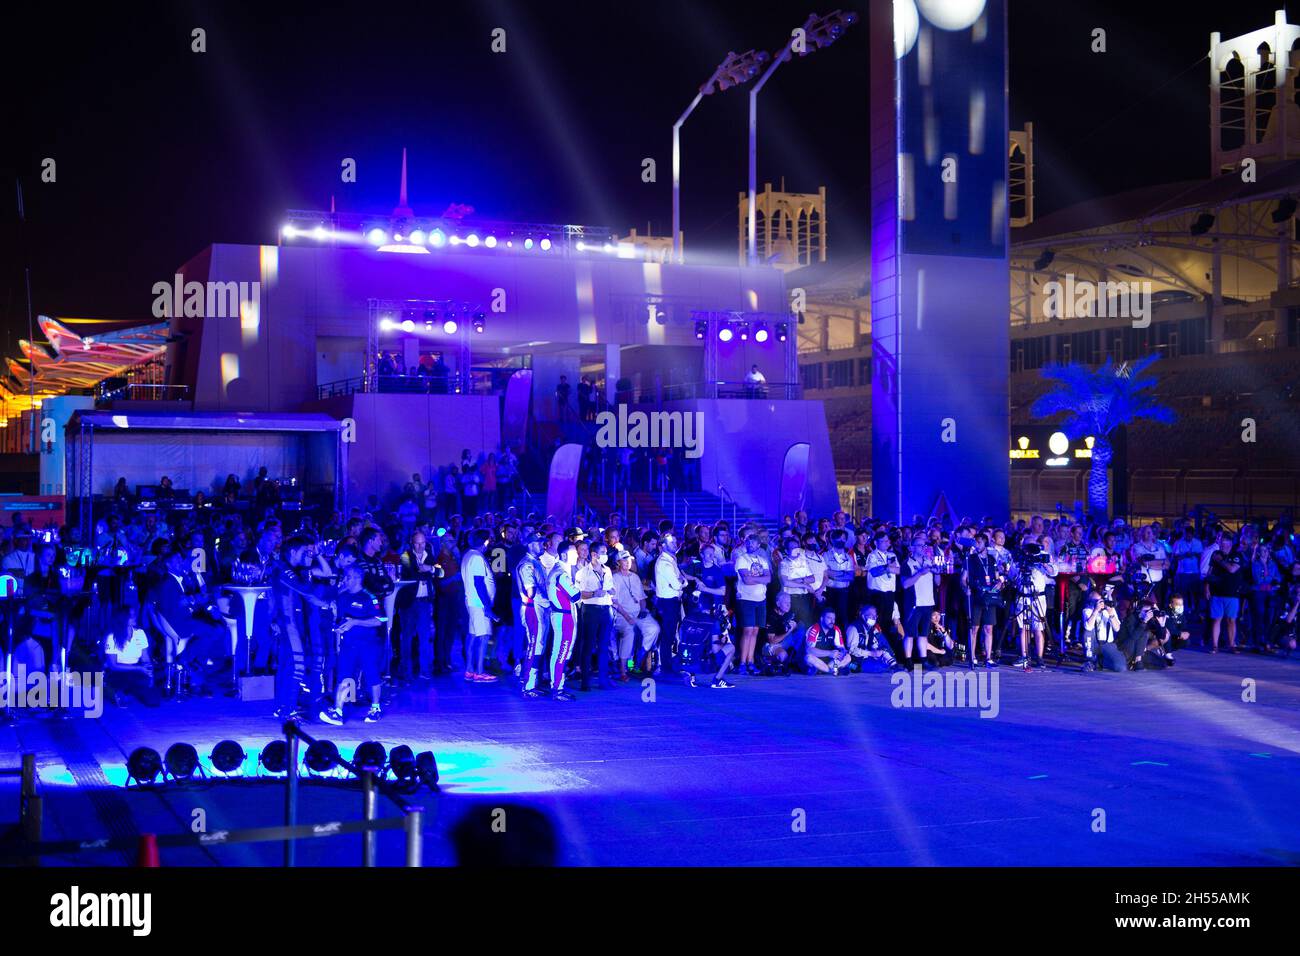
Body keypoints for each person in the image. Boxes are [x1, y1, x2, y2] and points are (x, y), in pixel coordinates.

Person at [319, 564, 387, 724]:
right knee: (343, 676)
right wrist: (338, 630)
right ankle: (337, 711)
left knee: (372, 675)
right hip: (348, 645)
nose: (345, 580)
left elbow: (381, 620)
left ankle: (375, 708)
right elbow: (341, 619)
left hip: (368, 644)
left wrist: (356, 622)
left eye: (348, 577)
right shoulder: (342, 597)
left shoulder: (369, 597)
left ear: (357, 578)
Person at [610, 548, 657, 681]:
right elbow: (615, 602)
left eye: (629, 560)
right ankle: (624, 669)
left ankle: (638, 661)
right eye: (624, 560)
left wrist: (643, 610)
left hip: (637, 612)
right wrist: (628, 617)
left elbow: (642, 598)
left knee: (654, 628)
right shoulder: (615, 578)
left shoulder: (635, 577)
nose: (628, 562)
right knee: (629, 631)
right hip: (621, 615)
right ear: (618, 562)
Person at [575, 542, 616, 690]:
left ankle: (603, 680)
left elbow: (610, 587)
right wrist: (593, 593)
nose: (606, 555)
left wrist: (611, 591)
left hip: (606, 609)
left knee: (604, 646)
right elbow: (578, 594)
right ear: (594, 555)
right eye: (603, 552)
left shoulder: (608, 570)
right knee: (588, 645)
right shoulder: (582, 573)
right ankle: (585, 681)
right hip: (590, 609)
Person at [516, 532, 553, 697]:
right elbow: (530, 591)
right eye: (539, 543)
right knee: (534, 645)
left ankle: (532, 682)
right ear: (531, 544)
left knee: (539, 645)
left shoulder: (535, 562)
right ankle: (528, 685)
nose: (542, 545)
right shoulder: (527, 565)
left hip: (541, 608)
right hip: (532, 608)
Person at [545, 541, 582, 701]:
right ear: (565, 555)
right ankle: (557, 689)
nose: (577, 555)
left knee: (560, 651)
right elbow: (575, 595)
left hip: (562, 614)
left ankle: (558, 686)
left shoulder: (558, 570)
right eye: (574, 553)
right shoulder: (561, 573)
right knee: (561, 651)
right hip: (563, 616)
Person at [103, 606, 160, 707]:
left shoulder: (140, 633)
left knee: (153, 701)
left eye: (134, 615)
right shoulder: (111, 637)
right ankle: (117, 691)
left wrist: (150, 675)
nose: (135, 617)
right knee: (119, 686)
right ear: (123, 618)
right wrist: (138, 668)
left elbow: (145, 658)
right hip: (117, 671)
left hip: (136, 671)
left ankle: (129, 691)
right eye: (131, 616)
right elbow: (112, 665)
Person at [462, 529, 499, 682]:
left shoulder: (468, 555)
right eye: (489, 540)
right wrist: (487, 607)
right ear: (485, 541)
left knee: (472, 635)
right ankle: (479, 671)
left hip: (472, 602)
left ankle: (470, 670)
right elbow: (479, 583)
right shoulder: (476, 557)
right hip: (479, 604)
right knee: (483, 637)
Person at [732, 533, 771, 674]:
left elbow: (769, 578)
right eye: (748, 542)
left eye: (753, 543)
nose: (750, 545)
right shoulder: (742, 559)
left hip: (761, 598)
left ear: (758, 545)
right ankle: (742, 662)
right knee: (747, 630)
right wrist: (761, 578)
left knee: (755, 631)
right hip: (746, 599)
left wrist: (756, 578)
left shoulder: (763, 559)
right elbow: (746, 581)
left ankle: (750, 661)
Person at [652, 533, 687, 674]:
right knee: (668, 635)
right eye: (671, 542)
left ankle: (667, 665)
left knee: (670, 634)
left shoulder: (671, 560)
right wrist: (683, 581)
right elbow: (678, 583)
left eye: (675, 541)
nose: (675, 544)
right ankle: (665, 667)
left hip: (672, 602)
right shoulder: (664, 563)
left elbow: (680, 580)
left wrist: (681, 580)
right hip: (668, 603)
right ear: (663, 546)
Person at [1080, 589, 1124, 672]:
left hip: (1107, 644)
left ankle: (1101, 661)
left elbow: (1117, 628)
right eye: (1096, 601)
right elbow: (1088, 627)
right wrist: (1096, 610)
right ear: (1091, 601)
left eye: (1101, 601)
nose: (1100, 603)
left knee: (1120, 667)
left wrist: (1111, 614)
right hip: (1093, 643)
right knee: (1087, 632)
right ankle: (1089, 660)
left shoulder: (1109, 610)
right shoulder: (1088, 610)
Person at [804, 608, 850, 675]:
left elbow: (842, 647)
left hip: (829, 661)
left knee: (848, 657)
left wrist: (842, 652)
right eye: (829, 618)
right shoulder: (814, 629)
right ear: (822, 618)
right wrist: (829, 653)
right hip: (817, 659)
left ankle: (825, 670)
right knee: (808, 658)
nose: (832, 621)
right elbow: (809, 650)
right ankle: (832, 670)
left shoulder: (836, 629)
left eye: (833, 619)